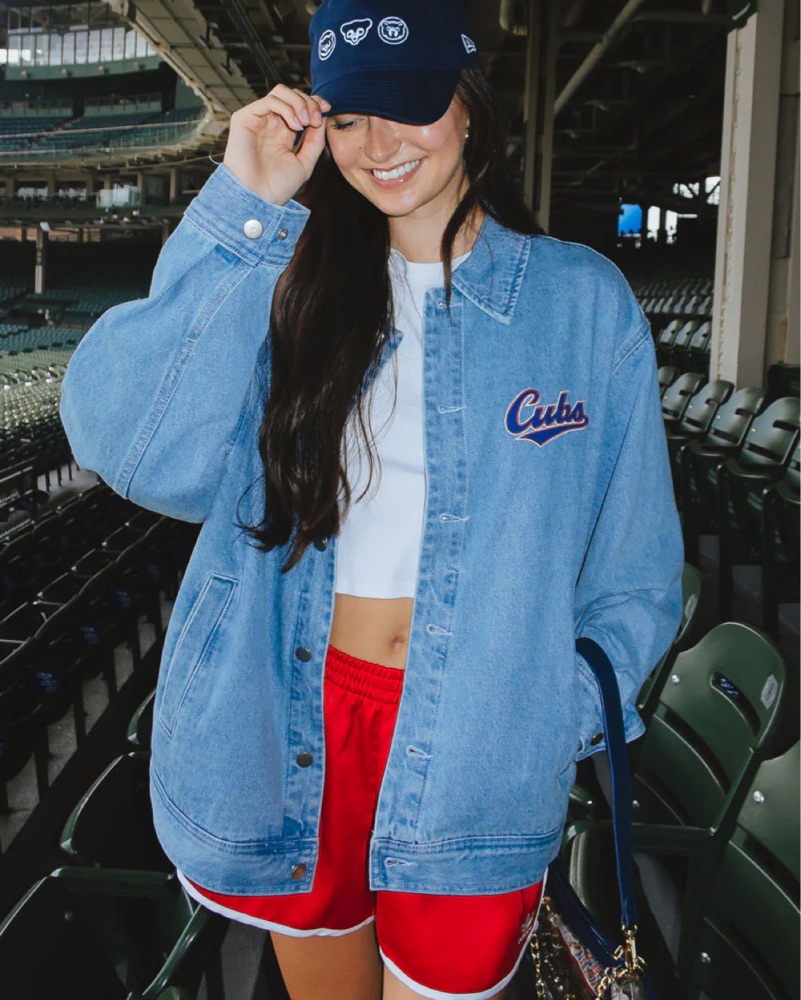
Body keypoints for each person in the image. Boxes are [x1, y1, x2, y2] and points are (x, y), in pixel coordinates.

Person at [59, 1, 684, 998]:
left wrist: (546, 714)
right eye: (349, 118)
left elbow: (635, 565)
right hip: (293, 724)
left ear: (469, 104)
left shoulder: (580, 303)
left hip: (480, 740)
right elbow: (126, 441)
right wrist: (244, 204)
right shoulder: (289, 285)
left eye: (410, 105)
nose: (379, 144)